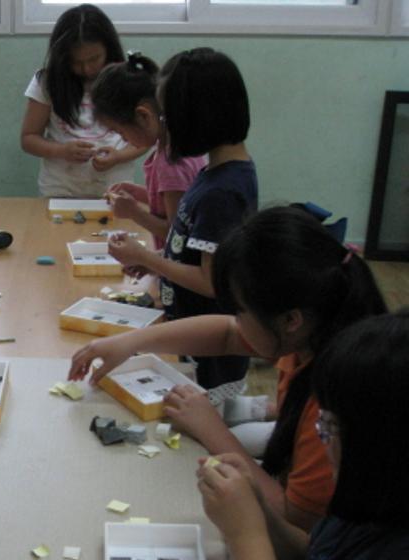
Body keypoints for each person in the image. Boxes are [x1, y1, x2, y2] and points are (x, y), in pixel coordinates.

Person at [70, 206, 387, 531]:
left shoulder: (333, 404)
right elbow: (226, 335)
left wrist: (211, 429)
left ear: (290, 320)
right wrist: (131, 341)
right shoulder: (312, 330)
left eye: (240, 311)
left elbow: (295, 520)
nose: (236, 321)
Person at [197, 310, 409, 560]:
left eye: (331, 427)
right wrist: (259, 512)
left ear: (385, 446)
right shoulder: (375, 500)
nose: (321, 439)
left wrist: (247, 535)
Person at [103, 47, 257, 401]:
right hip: (190, 333)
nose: (163, 125)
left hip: (209, 354)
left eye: (167, 116)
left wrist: (147, 257)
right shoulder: (214, 174)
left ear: (197, 117)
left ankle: (248, 414)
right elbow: (190, 246)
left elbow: (210, 281)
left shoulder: (223, 191)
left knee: (202, 418)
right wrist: (155, 262)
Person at [20, 4, 146, 198]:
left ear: (109, 49)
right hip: (60, 188)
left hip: (114, 188)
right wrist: (61, 151)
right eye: (76, 62)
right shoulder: (47, 82)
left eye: (94, 59)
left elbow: (147, 138)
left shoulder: (127, 80)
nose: (86, 69)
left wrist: (119, 156)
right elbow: (28, 138)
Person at [90, 52, 207, 248]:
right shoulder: (177, 144)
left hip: (174, 263)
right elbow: (173, 203)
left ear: (143, 116)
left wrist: (135, 213)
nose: (123, 139)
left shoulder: (170, 162)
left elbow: (177, 233)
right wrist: (139, 194)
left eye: (121, 131)